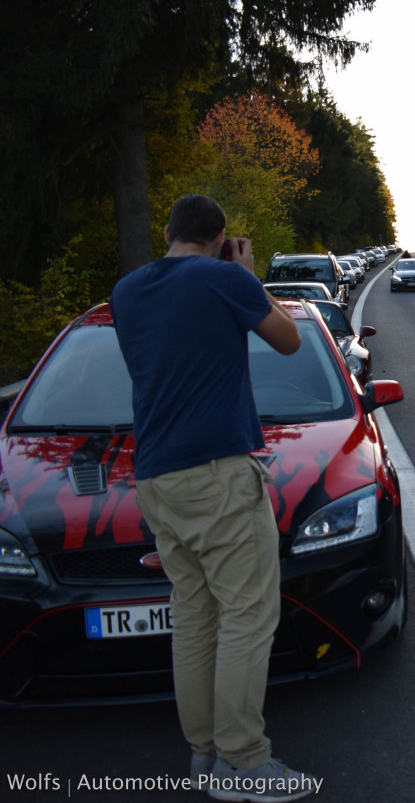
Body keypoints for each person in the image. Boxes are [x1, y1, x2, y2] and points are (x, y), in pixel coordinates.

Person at [111, 194, 318, 802]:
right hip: (218, 472)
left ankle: (205, 753)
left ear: (168, 230)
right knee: (249, 617)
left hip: (155, 474)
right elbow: (288, 342)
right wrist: (250, 278)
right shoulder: (226, 278)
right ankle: (246, 763)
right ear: (222, 237)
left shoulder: (127, 292)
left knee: (195, 618)